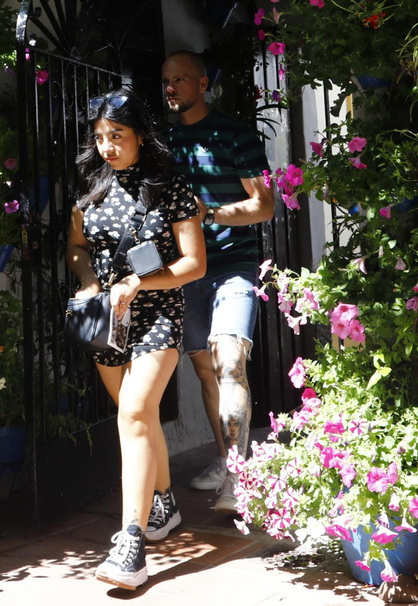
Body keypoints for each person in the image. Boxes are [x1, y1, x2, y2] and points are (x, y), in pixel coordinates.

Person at [65, 91, 206, 590]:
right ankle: (162, 505)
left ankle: (131, 541)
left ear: (140, 136)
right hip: (107, 320)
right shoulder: (91, 187)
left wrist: (140, 282)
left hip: (158, 315)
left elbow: (194, 263)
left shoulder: (171, 187)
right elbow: (77, 247)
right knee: (139, 418)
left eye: (117, 136)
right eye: (100, 137)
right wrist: (88, 282)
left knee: (132, 412)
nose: (107, 146)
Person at [160, 50, 274, 515]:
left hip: (232, 267)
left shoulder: (236, 135)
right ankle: (231, 462)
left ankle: (241, 480)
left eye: (180, 79)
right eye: (166, 81)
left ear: (203, 83)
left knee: (230, 362)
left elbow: (265, 204)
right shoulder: (163, 142)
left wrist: (211, 213)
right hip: (187, 272)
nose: (171, 87)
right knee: (206, 370)